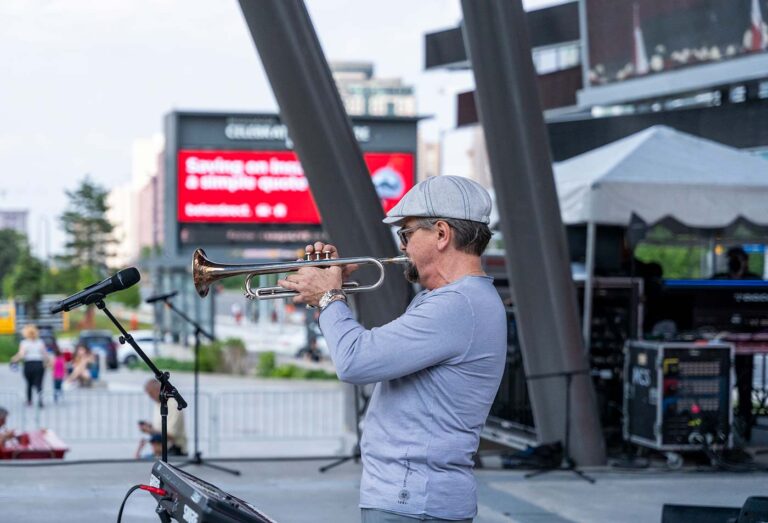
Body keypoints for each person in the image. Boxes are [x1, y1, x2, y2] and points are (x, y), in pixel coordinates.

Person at [277, 176, 506, 522]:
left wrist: (328, 297)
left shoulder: (457, 305)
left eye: (407, 234)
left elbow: (355, 361)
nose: (402, 246)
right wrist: (338, 287)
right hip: (414, 497)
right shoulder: (451, 301)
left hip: (414, 500)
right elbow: (378, 353)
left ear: (442, 234)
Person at [713, 246, 761, 442]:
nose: (734, 263)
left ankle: (745, 423)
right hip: (722, 338)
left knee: (745, 382)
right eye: (731, 259)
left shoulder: (754, 280)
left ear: (746, 261)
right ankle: (717, 422)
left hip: (746, 337)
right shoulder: (718, 280)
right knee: (717, 380)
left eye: (738, 259)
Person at [137, 378, 188, 457]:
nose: (150, 397)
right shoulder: (158, 403)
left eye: (151, 394)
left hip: (175, 451)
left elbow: (171, 435)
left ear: (158, 390)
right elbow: (160, 427)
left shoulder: (173, 405)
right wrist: (150, 426)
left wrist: (150, 430)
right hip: (162, 449)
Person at [10, 325, 49, 408]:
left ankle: (29, 400)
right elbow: (45, 354)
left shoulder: (24, 343)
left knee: (29, 383)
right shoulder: (40, 342)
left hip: (29, 364)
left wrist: (14, 359)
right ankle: (40, 400)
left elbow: (22, 354)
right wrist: (46, 363)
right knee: (39, 384)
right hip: (39, 364)